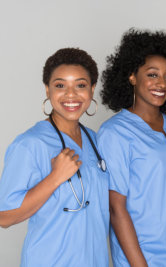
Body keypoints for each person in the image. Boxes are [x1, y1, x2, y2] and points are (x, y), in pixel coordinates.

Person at [0, 48, 109, 266]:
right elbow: (5, 217)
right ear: (48, 90)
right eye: (60, 85)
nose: (71, 95)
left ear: (92, 89)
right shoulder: (30, 144)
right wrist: (55, 178)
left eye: (80, 85)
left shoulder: (97, 141)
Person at [97, 28, 166, 267]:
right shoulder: (115, 132)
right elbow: (116, 209)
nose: (162, 83)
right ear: (132, 77)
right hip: (140, 256)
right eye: (152, 74)